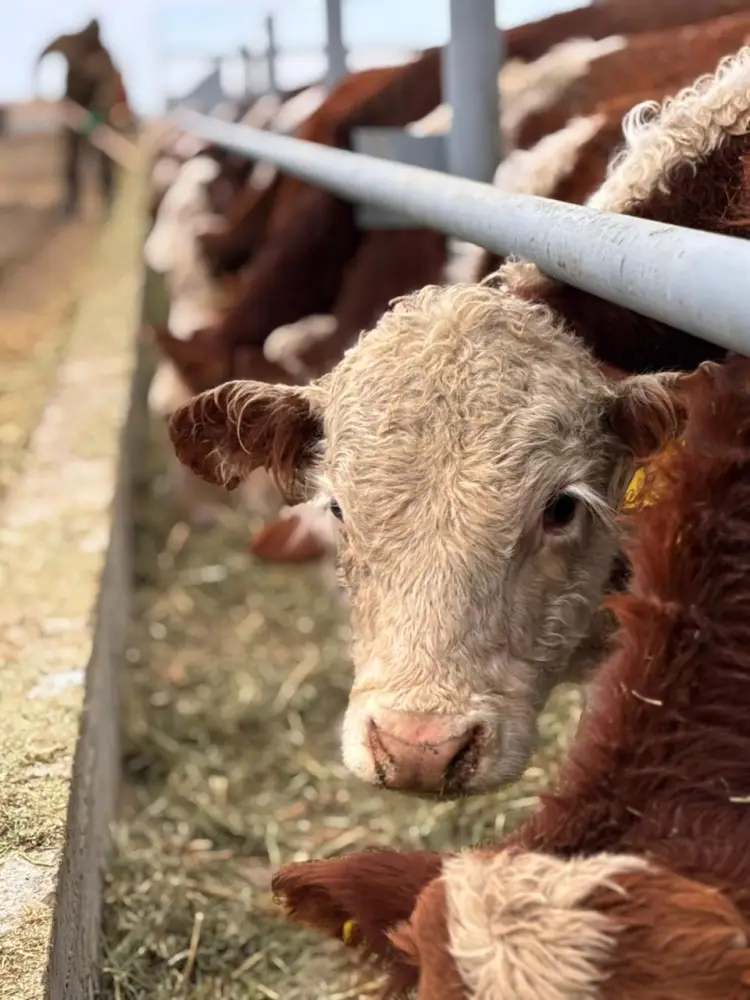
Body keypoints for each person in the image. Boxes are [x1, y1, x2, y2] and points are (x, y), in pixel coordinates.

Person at [38, 19, 132, 217]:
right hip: (72, 108)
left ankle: (110, 200)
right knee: (71, 159)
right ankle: (71, 204)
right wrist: (38, 84)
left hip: (94, 112)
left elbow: (109, 87)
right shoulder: (68, 43)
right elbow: (44, 53)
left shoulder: (104, 56)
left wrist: (98, 114)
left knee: (104, 160)